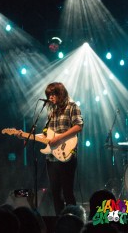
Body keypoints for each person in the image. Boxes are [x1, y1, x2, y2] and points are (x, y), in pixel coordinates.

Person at [43, 82, 84, 216]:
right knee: (54, 193)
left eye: (53, 94)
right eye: (49, 95)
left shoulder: (72, 106)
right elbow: (46, 135)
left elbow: (78, 126)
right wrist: (26, 135)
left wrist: (60, 138)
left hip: (67, 155)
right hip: (52, 157)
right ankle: (60, 221)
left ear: (60, 94)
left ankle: (74, 222)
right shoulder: (51, 111)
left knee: (67, 192)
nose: (50, 98)